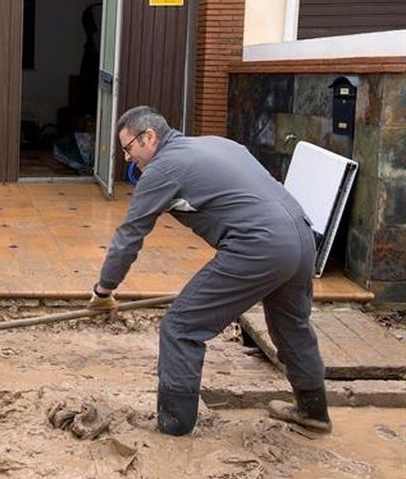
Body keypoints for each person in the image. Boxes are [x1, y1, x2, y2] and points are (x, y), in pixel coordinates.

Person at [87, 106, 330, 436]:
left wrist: (104, 290)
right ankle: (313, 414)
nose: (128, 159)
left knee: (181, 325)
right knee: (292, 327)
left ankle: (174, 424)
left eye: (128, 148)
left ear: (149, 137)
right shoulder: (218, 144)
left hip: (259, 245)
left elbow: (130, 234)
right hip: (301, 237)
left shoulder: (163, 168)